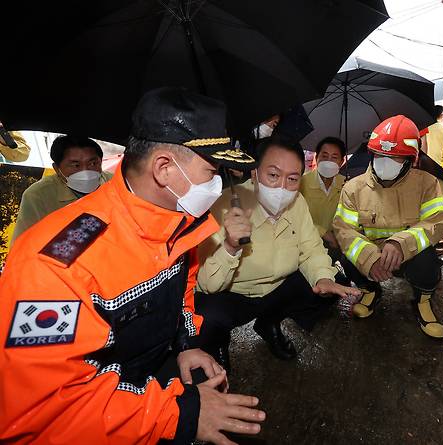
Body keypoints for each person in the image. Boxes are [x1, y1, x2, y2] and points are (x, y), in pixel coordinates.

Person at [0, 87, 265, 445]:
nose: (217, 184)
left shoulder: (177, 218)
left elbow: (182, 288)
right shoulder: (55, 265)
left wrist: (186, 343)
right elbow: (43, 413)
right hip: (103, 410)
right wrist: (178, 416)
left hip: (154, 369)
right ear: (164, 169)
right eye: (211, 170)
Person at [195, 135, 360, 372]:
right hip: (234, 294)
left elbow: (311, 248)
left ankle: (269, 322)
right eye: (273, 175)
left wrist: (323, 277)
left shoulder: (298, 203)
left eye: (292, 179)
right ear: (254, 174)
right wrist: (230, 248)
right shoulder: (222, 205)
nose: (282, 187)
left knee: (331, 280)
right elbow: (207, 283)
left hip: (277, 287)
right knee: (206, 317)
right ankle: (217, 345)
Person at [333, 115, 443, 338]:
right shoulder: (352, 188)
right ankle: (370, 291)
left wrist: (400, 244)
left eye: (395, 157)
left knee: (428, 262)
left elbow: (437, 222)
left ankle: (422, 300)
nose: (385, 161)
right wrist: (369, 258)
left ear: (411, 160)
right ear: (371, 154)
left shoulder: (428, 184)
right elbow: (344, 230)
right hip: (375, 258)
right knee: (348, 257)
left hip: (409, 255)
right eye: (380, 155)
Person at [10, 135, 113, 244]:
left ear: (101, 161)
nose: (86, 171)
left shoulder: (114, 183)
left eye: (92, 163)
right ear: (57, 169)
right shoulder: (38, 196)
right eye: (76, 165)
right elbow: (22, 244)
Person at [299, 136, 346, 260]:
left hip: (336, 242)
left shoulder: (346, 185)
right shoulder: (301, 183)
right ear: (316, 158)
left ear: (341, 162)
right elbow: (296, 217)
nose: (329, 161)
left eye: (334, 157)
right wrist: (324, 233)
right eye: (324, 156)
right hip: (305, 242)